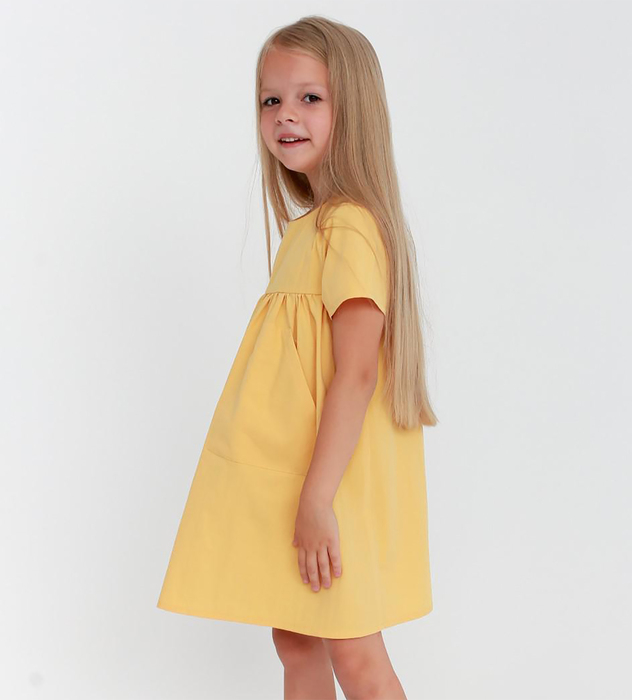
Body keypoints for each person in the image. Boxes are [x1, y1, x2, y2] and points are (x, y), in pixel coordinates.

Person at [157, 15, 438, 699]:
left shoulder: (349, 225)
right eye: (271, 99)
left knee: (355, 651)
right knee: (298, 640)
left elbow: (358, 373)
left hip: (328, 481)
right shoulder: (308, 229)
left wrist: (317, 498)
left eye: (310, 97)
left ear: (354, 109)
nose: (286, 115)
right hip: (293, 472)